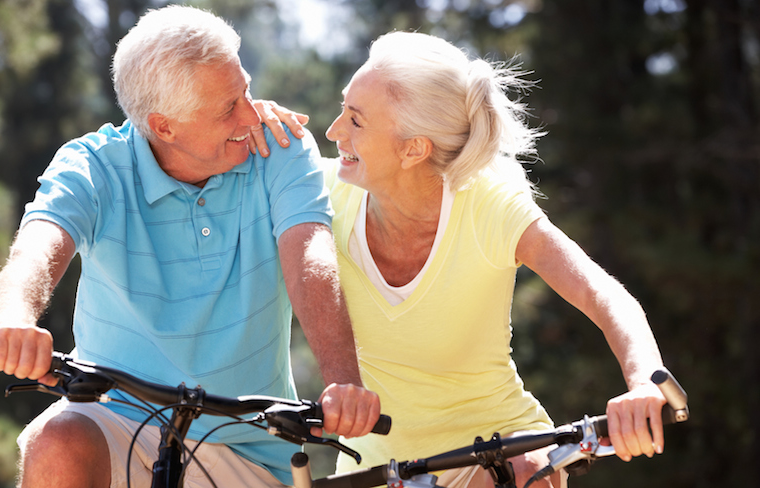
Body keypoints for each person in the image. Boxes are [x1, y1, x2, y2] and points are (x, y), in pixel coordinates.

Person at [0, 6, 380, 488]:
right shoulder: (92, 166)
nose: (251, 114)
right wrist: (13, 319)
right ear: (164, 126)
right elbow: (37, 246)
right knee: (59, 441)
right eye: (227, 108)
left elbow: (309, 257)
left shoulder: (278, 145)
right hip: (118, 419)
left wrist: (343, 381)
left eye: (246, 91)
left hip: (248, 441)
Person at [257, 31, 669, 487]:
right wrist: (246, 127)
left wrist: (646, 382)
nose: (333, 132)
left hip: (502, 452)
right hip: (380, 467)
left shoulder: (489, 206)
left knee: (526, 473)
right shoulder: (321, 195)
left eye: (356, 120)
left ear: (414, 148)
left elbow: (602, 293)